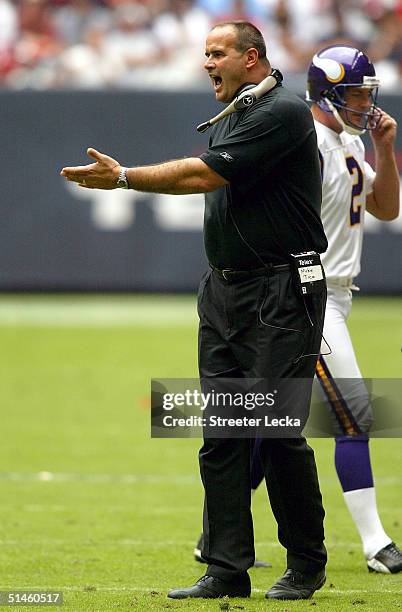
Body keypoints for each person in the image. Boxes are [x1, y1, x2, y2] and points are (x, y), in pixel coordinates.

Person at [61, 21, 329, 600]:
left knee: (277, 430)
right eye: (204, 53)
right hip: (227, 292)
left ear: (251, 57)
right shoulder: (242, 108)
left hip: (282, 291)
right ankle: (226, 569)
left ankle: (306, 562)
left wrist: (126, 177)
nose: (207, 62)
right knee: (223, 434)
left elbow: (204, 174)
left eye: (217, 53)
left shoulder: (280, 111)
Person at [195, 43, 401, 575]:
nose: (363, 104)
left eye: (365, 94)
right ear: (326, 94)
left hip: (337, 295)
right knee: (351, 414)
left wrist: (384, 148)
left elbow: (385, 206)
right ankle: (376, 541)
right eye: (353, 94)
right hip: (308, 298)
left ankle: (212, 535)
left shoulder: (349, 141)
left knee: (269, 421)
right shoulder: (306, 144)